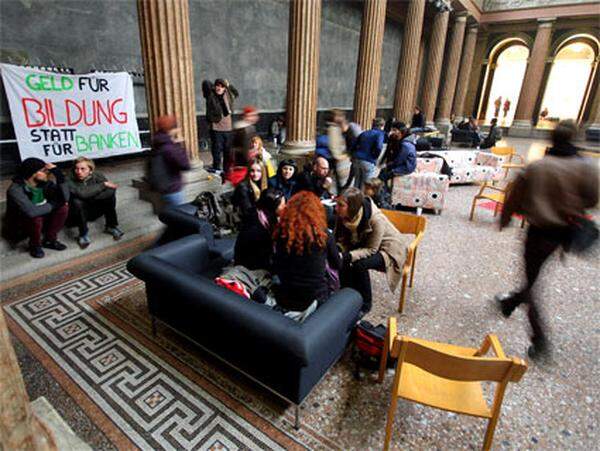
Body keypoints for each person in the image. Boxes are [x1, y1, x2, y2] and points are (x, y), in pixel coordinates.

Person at [496, 120, 599, 359]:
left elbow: (514, 197)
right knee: (532, 278)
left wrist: (505, 219)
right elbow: (592, 199)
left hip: (539, 232)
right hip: (564, 233)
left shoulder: (537, 168)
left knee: (532, 283)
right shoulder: (586, 167)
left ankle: (539, 338)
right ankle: (511, 302)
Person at [335, 187, 408, 314]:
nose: (336, 208)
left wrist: (346, 255)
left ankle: (366, 303)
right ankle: (346, 294)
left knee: (359, 265)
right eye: (336, 204)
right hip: (364, 243)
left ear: (352, 207)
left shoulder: (375, 220)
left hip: (388, 249)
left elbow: (371, 249)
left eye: (341, 205)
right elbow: (339, 238)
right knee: (342, 260)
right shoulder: (344, 216)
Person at [272, 191, 342, 316]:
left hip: (286, 296)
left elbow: (277, 264)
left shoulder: (282, 233)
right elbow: (337, 264)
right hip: (315, 297)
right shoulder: (324, 235)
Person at [4, 157, 69, 258]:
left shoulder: (45, 184)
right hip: (21, 224)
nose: (47, 173)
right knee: (35, 217)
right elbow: (31, 212)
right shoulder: (15, 189)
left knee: (63, 208)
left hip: (42, 218)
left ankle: (50, 240)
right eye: (43, 171)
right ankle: (35, 245)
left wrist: (59, 174)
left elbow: (65, 198)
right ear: (33, 173)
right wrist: (55, 204)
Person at [67, 157, 123, 249]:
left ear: (90, 170)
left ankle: (111, 226)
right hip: (77, 215)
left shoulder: (98, 175)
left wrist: (88, 195)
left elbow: (111, 190)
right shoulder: (68, 179)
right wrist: (102, 185)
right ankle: (83, 234)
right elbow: (81, 193)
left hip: (95, 209)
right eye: (76, 169)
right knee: (77, 202)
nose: (79, 172)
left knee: (110, 197)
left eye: (83, 169)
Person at [234, 188, 285, 271]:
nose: (284, 207)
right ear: (272, 206)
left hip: (259, 259)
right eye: (282, 205)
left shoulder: (264, 215)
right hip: (251, 266)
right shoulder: (256, 227)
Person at [149, 115, 191, 207]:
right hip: (172, 189)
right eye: (177, 127)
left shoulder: (158, 141)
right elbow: (185, 164)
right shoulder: (169, 147)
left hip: (161, 188)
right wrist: (180, 146)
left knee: (168, 216)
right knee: (177, 217)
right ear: (172, 129)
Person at [202, 78, 238, 172]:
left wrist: (228, 84)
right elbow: (206, 82)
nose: (219, 88)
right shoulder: (211, 96)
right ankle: (216, 167)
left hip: (228, 128)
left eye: (222, 86)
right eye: (218, 85)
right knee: (216, 150)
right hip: (216, 128)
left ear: (225, 88)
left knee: (227, 151)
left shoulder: (228, 95)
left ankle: (226, 168)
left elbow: (236, 93)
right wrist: (214, 87)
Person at [379, 122, 417, 186]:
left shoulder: (406, 144)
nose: (392, 132)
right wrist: (383, 162)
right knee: (382, 173)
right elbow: (388, 150)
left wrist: (387, 165)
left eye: (394, 130)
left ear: (401, 131)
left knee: (382, 177)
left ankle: (383, 193)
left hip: (405, 166)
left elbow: (399, 160)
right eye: (391, 130)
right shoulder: (394, 138)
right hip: (396, 163)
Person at [232, 159, 268, 224]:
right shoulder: (243, 187)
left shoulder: (262, 183)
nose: (255, 174)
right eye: (252, 171)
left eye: (258, 171)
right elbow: (247, 210)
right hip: (245, 217)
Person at [353, 117, 386, 189]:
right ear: (382, 126)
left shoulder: (364, 133)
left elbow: (354, 144)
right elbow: (379, 147)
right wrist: (375, 156)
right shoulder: (379, 134)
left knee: (357, 181)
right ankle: (364, 199)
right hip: (368, 160)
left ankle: (354, 198)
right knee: (367, 185)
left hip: (357, 158)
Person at [326, 109, 353, 191]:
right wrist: (342, 157)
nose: (342, 118)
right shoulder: (333, 129)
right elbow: (334, 147)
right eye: (339, 116)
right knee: (343, 184)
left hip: (341, 159)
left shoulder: (337, 127)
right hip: (341, 160)